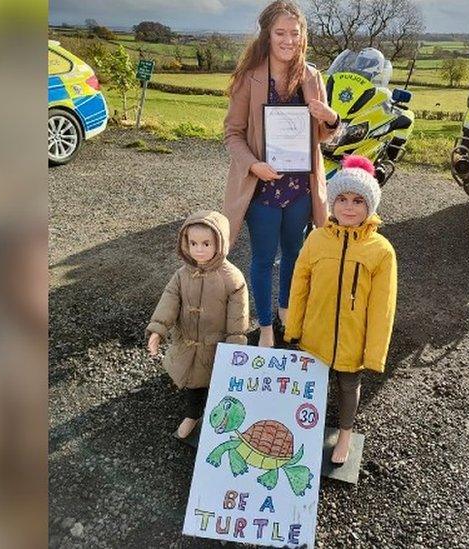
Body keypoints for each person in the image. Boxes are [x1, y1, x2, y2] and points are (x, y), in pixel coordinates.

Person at [223, 0, 340, 348]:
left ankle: (287, 312)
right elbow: (232, 133)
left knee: (294, 253)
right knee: (262, 258)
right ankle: (265, 325)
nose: (288, 39)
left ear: (303, 35)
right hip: (263, 186)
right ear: (268, 35)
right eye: (280, 33)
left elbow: (321, 134)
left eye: (295, 32)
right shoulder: (250, 77)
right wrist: (253, 165)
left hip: (301, 187)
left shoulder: (311, 76)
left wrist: (330, 117)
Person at [283, 155, 398, 465]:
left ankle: (345, 434)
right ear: (332, 203)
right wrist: (293, 327)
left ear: (370, 206)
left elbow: (382, 306)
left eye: (359, 200)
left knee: (348, 386)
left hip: (352, 338)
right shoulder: (316, 240)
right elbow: (299, 286)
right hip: (315, 333)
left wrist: (374, 352)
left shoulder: (381, 251)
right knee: (314, 386)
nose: (349, 207)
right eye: (343, 199)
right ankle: (307, 431)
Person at [146, 211, 249, 438]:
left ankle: (222, 418)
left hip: (216, 345)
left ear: (220, 243)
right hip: (188, 341)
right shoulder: (182, 275)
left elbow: (237, 318)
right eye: (193, 243)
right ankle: (192, 415)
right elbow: (169, 300)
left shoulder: (232, 278)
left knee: (217, 382)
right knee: (194, 385)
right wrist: (158, 329)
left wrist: (235, 346)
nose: (199, 249)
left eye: (206, 243)